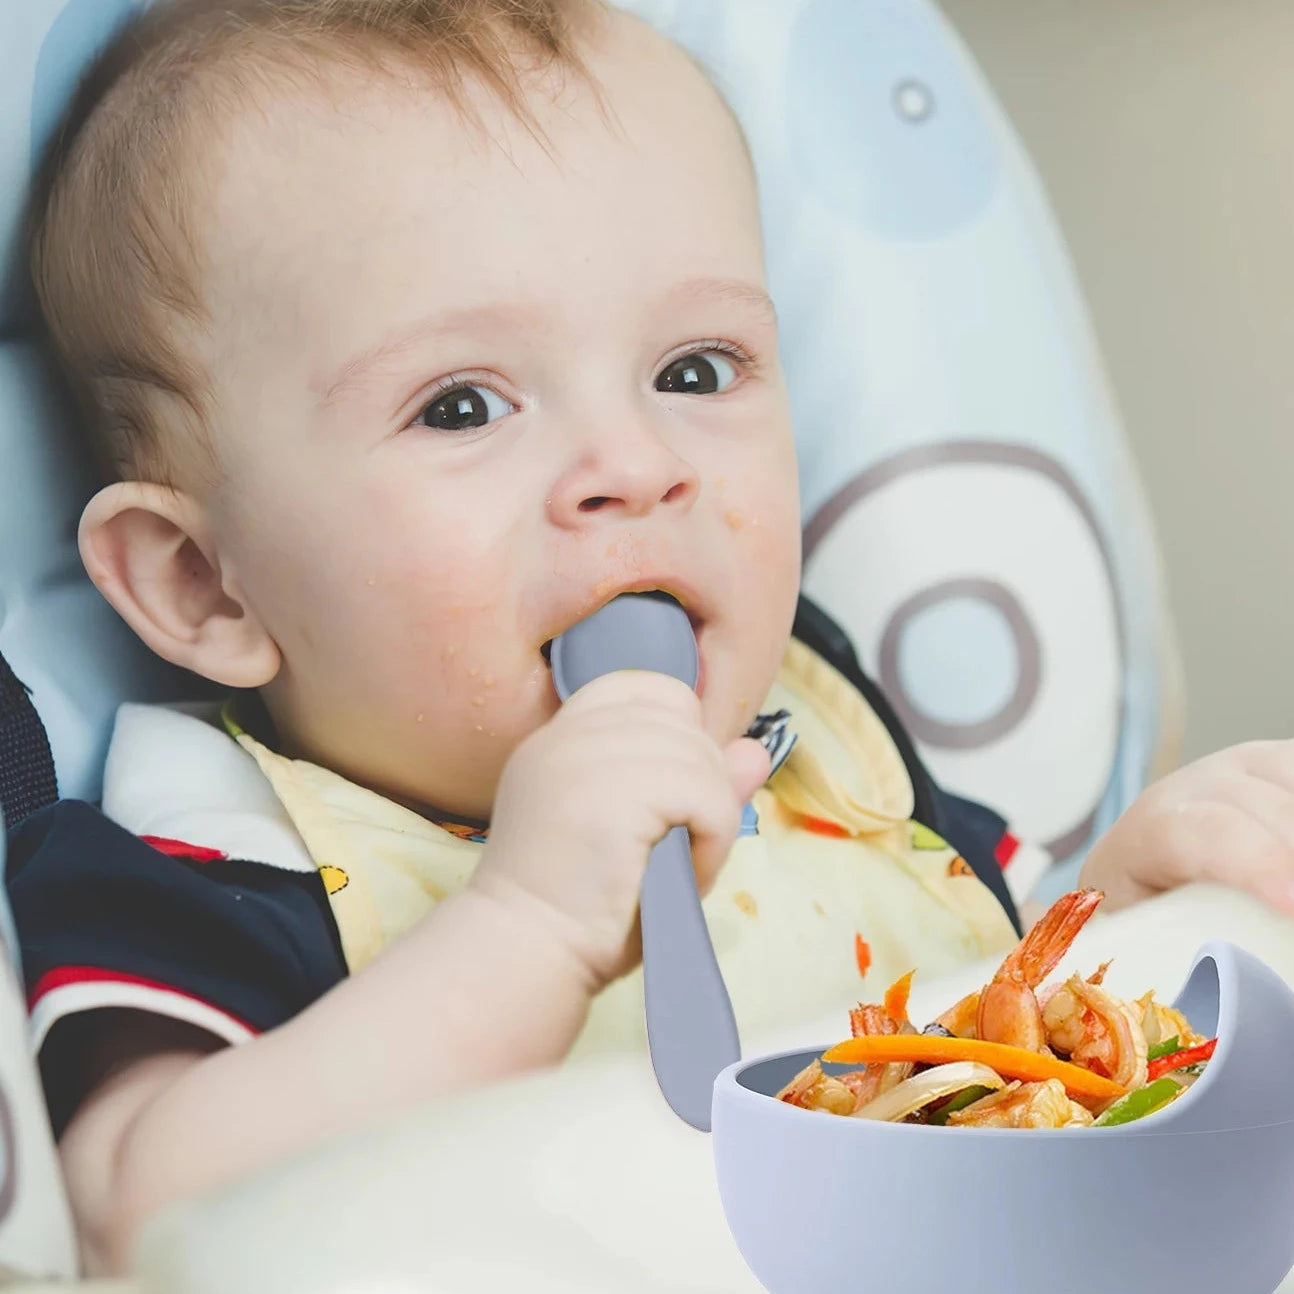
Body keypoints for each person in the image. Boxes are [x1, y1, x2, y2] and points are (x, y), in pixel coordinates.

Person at [11, 0, 1294, 1274]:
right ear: (204, 585)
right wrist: (527, 924)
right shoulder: (211, 861)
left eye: (694, 371)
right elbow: (140, 1213)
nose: (635, 465)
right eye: (461, 406)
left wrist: (1124, 918)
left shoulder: (823, 752)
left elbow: (981, 1047)